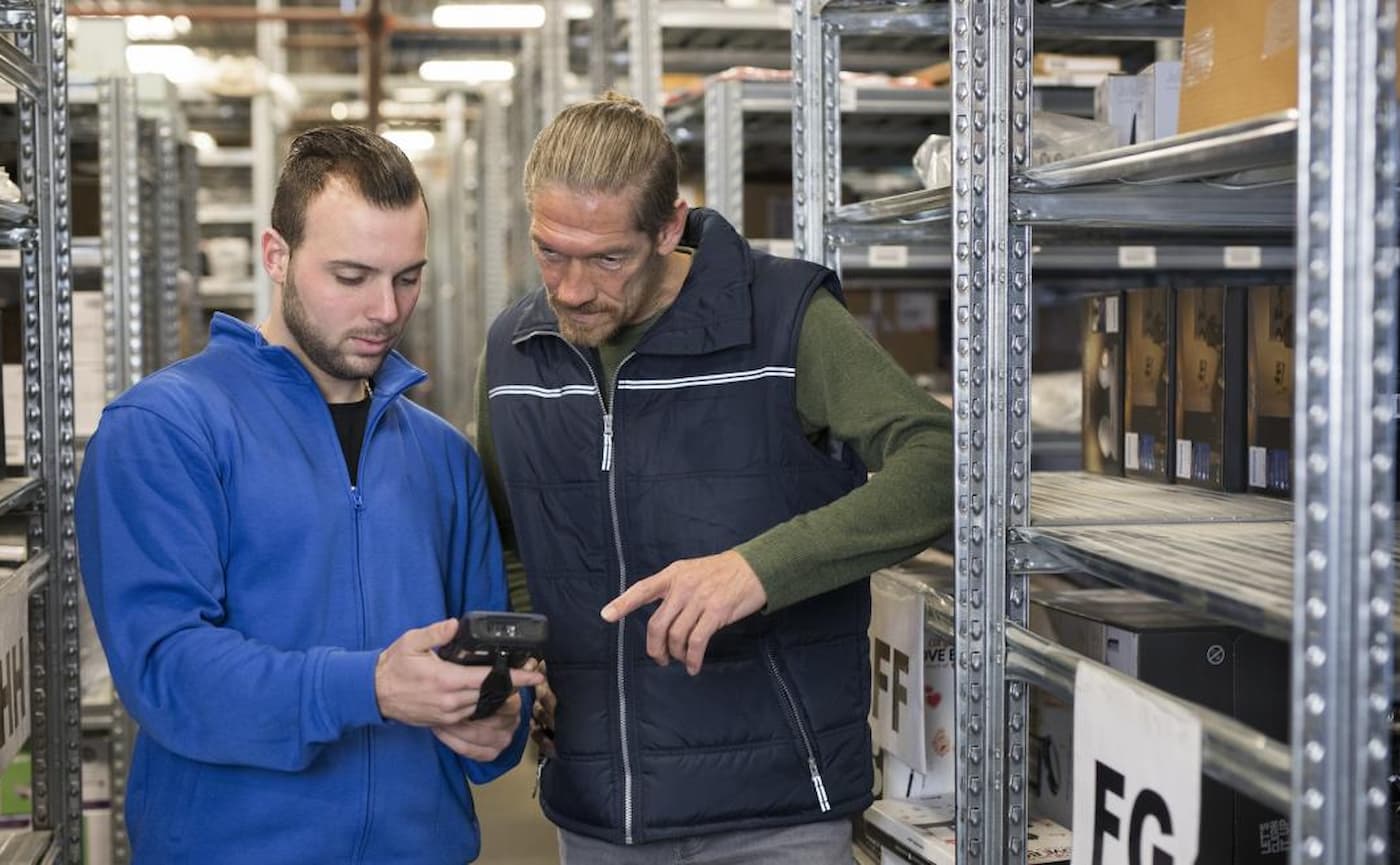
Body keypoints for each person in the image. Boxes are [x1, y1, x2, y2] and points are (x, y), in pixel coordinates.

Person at [475, 93, 956, 864]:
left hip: (775, 810)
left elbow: (941, 464)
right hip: (602, 809)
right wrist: (535, 658)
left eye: (607, 258)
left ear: (669, 228)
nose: (569, 289)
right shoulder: (516, 351)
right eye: (549, 251)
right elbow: (506, 533)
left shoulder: (784, 320)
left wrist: (758, 568)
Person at [76, 125, 542, 865]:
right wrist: (372, 687)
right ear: (276, 256)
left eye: (407, 276)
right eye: (351, 277)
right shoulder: (166, 430)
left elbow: (489, 682)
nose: (387, 309)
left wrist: (496, 725)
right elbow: (167, 671)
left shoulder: (442, 456)